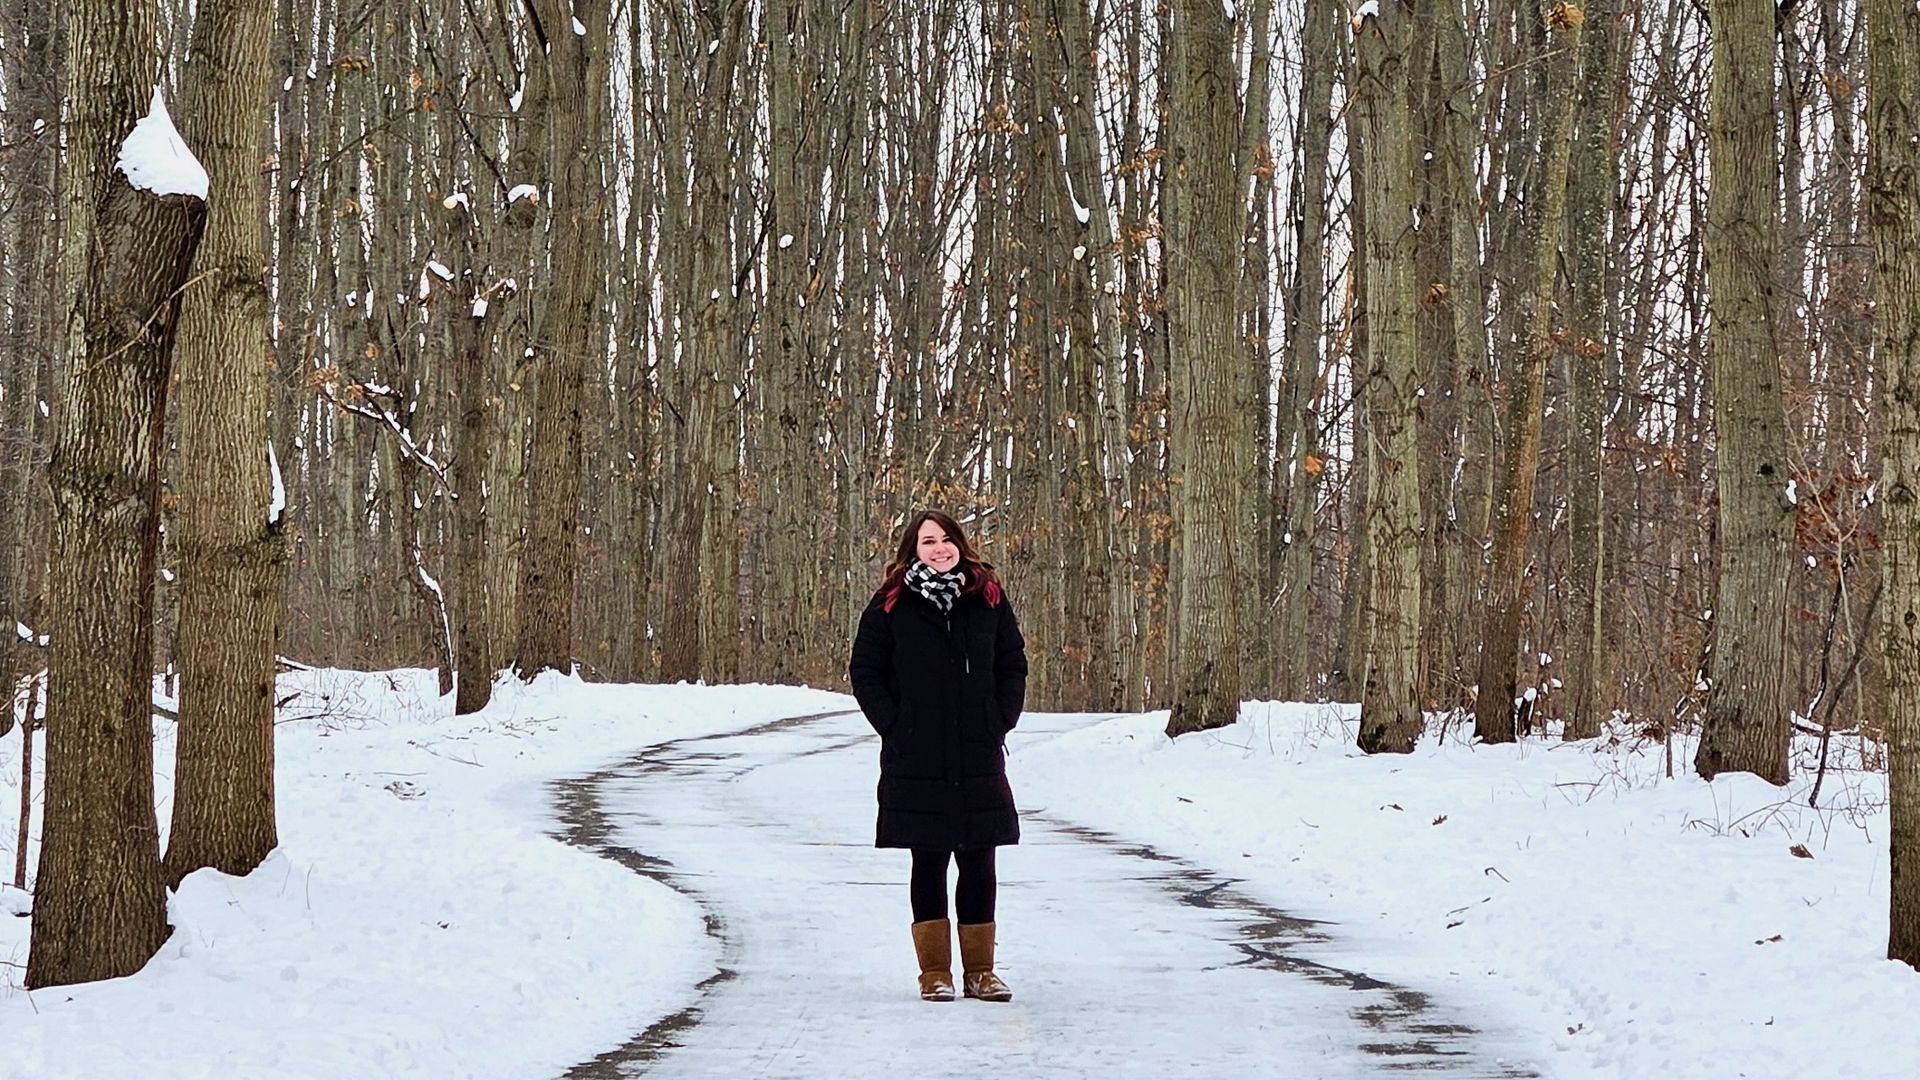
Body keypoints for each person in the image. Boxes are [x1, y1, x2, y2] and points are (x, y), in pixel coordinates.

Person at [848, 509, 1027, 1003]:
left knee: (979, 859)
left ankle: (981, 973)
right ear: (914, 549)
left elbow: (1012, 662)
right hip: (916, 755)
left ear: (960, 545)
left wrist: (999, 718)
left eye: (947, 540)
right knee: (927, 860)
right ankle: (934, 973)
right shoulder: (891, 604)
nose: (939, 549)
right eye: (928, 541)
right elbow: (865, 671)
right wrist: (895, 724)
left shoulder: (986, 598)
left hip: (976, 751)